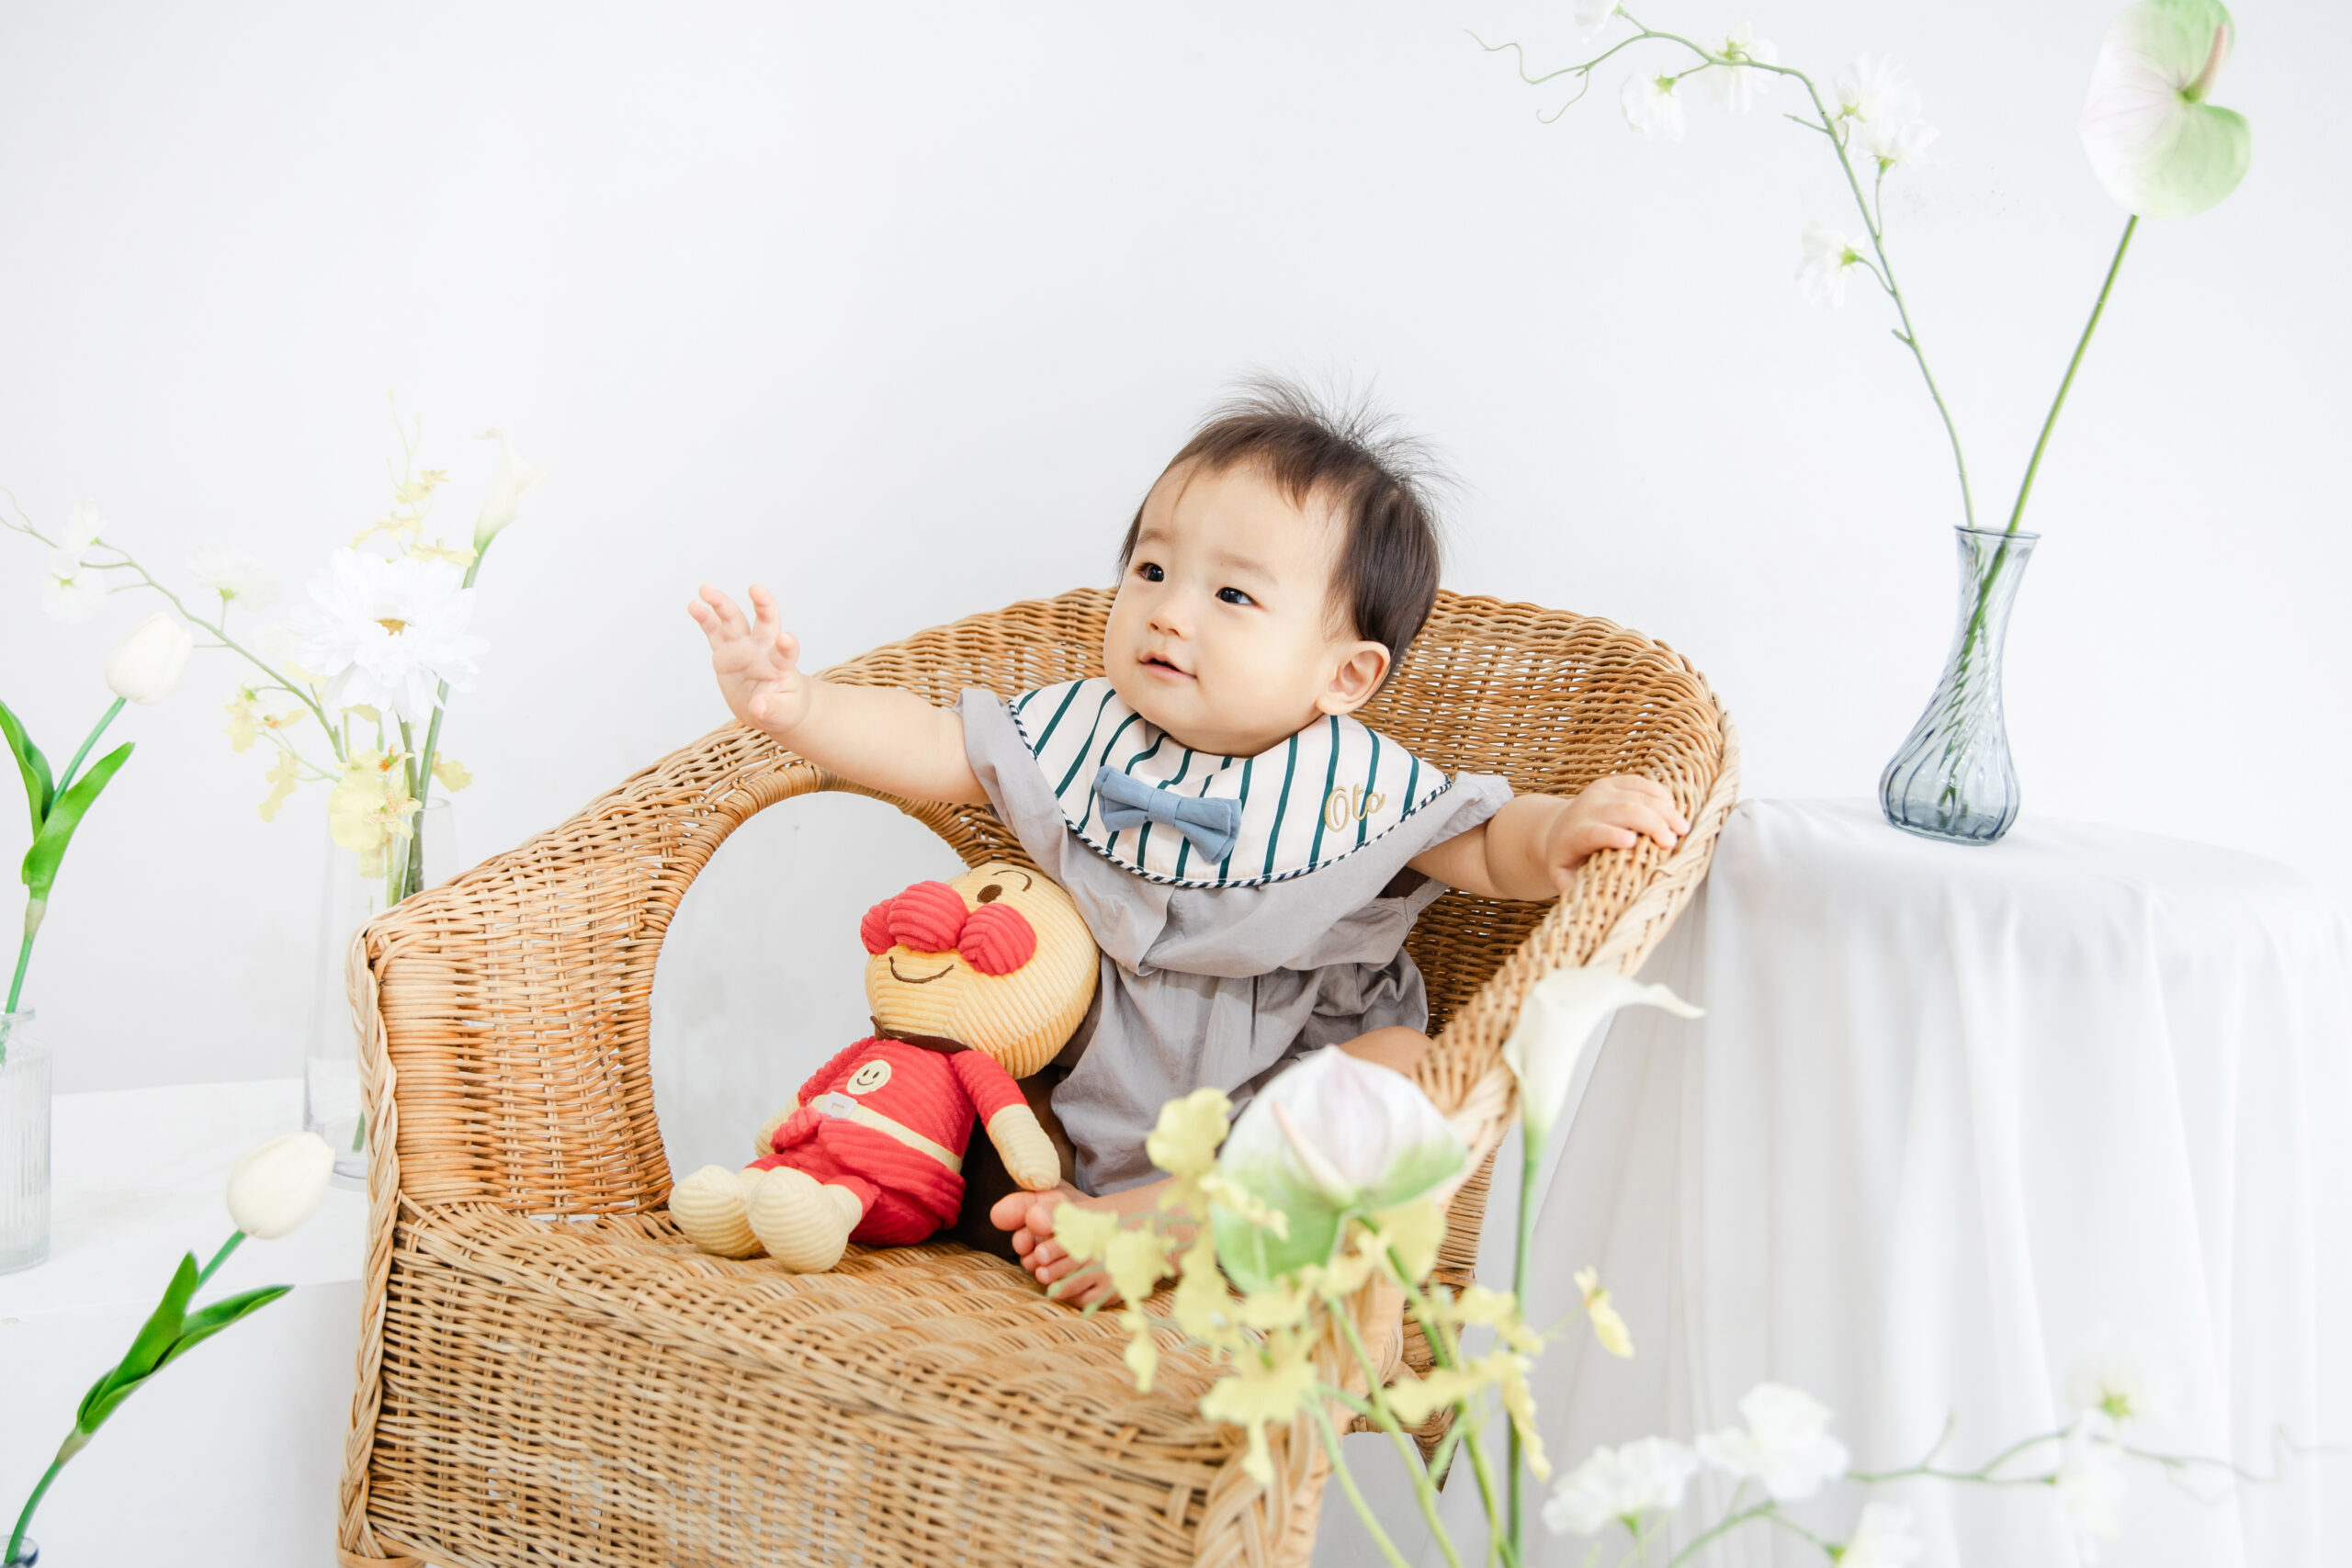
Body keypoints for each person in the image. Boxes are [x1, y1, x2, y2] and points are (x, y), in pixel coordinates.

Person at [689, 378, 1685, 1302]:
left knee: (1401, 1067)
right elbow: (936, 743)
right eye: (1152, 568)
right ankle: (862, 1184)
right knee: (940, 1053)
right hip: (1074, 1084)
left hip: (1269, 1098)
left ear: (1342, 676)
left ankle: (1178, 1227)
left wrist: (1558, 827)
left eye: (1231, 595)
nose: (1167, 611)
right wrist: (799, 705)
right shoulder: (1083, 729)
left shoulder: (1350, 782)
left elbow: (1483, 839)